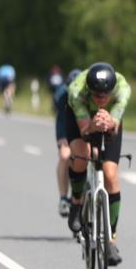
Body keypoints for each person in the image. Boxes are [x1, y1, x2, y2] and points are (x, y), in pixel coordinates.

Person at [66, 63, 130, 266]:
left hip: (109, 120)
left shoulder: (122, 89)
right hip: (81, 120)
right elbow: (84, 131)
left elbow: (116, 124)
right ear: (89, 91)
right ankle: (76, 202)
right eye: (97, 96)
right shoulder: (77, 92)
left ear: (112, 91)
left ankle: (111, 240)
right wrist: (93, 125)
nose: (101, 100)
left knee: (110, 174)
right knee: (81, 155)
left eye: (105, 96)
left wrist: (110, 122)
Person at [53, 69, 83, 217]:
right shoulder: (62, 96)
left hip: (84, 125)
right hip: (65, 124)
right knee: (65, 155)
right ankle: (64, 198)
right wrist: (63, 141)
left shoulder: (88, 95)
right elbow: (62, 120)